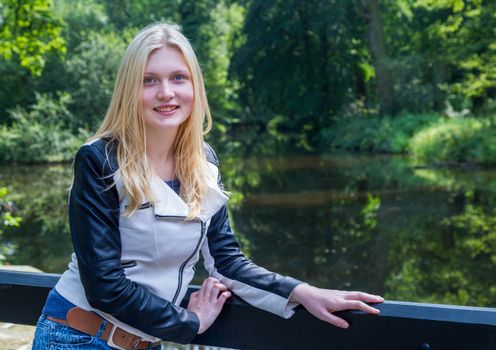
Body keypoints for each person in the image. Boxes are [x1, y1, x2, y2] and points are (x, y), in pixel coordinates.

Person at [32, 23, 384, 350]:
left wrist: (302, 292)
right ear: (129, 89)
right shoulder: (99, 159)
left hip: (147, 342)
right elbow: (104, 286)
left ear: (194, 86)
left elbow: (227, 261)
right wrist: (189, 322)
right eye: (149, 80)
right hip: (76, 337)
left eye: (178, 78)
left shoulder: (204, 161)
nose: (166, 92)